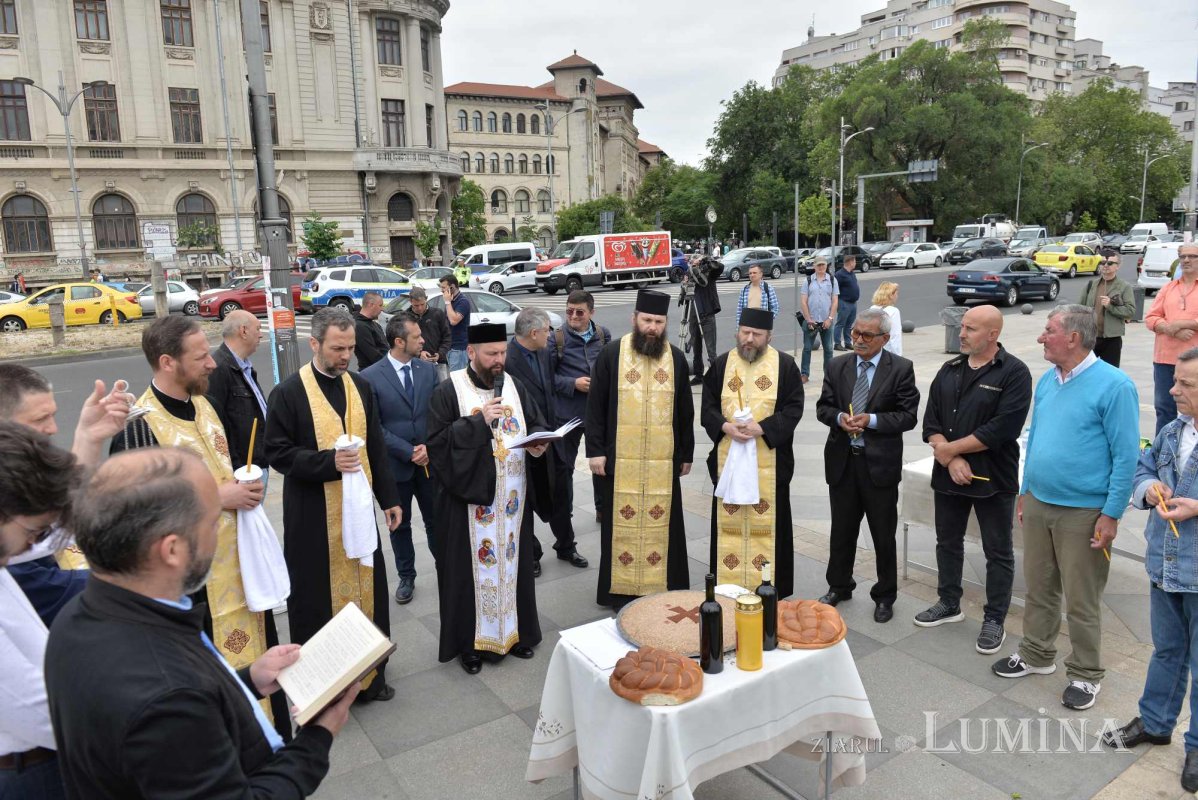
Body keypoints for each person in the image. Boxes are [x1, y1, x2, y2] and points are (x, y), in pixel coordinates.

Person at [45, 448, 359, 799]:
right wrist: (318, 736)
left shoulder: (79, 616)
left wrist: (247, 680)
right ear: (172, 550)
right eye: (212, 522)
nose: (218, 535)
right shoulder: (167, 697)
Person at [110, 316, 292, 734]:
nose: (213, 363)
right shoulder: (139, 428)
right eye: (201, 356)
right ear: (167, 362)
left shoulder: (205, 406)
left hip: (241, 571)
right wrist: (217, 498)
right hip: (195, 592)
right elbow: (136, 524)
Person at [991, 304, 1139, 711]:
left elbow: (1126, 457)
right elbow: (1034, 436)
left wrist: (1110, 515)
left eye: (1048, 330)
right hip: (1039, 501)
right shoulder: (1048, 380)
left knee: (1081, 597)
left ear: (1072, 337)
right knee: (1038, 586)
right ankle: (1038, 654)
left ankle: (1086, 673)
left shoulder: (1115, 386)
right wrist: (1025, 490)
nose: (1041, 337)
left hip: (1084, 511)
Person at [264, 307, 402, 702]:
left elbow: (374, 445)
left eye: (351, 348)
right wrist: (327, 463)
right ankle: (323, 686)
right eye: (337, 348)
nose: (345, 356)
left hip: (357, 515)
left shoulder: (360, 386)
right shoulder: (288, 393)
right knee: (316, 600)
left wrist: (389, 499)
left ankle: (370, 677)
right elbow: (276, 452)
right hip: (312, 518)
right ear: (315, 344)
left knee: (366, 590)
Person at [426, 322, 552, 674]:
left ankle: (517, 634)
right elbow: (436, 445)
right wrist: (477, 423)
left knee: (513, 567)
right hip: (469, 507)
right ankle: (470, 645)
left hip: (511, 506)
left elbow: (535, 424)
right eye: (491, 354)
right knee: (469, 576)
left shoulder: (515, 386)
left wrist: (540, 445)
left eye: (502, 353)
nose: (499, 360)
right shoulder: (449, 391)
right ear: (471, 353)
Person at [1103, 347, 1198, 791]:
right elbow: (1143, 465)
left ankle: (1196, 745)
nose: (1172, 389)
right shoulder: (1173, 431)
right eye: (1176, 380)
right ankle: (1156, 723)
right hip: (1165, 565)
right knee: (1166, 650)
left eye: (1186, 384)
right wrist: (1148, 488)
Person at [916, 306, 1032, 654]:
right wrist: (950, 457)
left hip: (994, 478)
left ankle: (994, 617)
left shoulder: (1014, 373)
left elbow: (1001, 429)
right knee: (947, 541)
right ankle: (948, 602)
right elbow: (931, 423)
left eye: (970, 328)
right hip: (949, 473)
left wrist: (950, 451)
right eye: (962, 326)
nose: (961, 333)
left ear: (992, 334)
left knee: (998, 551)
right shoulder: (949, 369)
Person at [587, 290, 695, 609]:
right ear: (634, 319)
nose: (652, 328)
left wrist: (686, 454)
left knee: (666, 524)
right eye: (647, 320)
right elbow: (595, 407)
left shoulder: (675, 357)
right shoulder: (611, 355)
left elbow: (685, 411)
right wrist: (595, 451)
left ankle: (665, 585)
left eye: (658, 322)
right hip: (620, 461)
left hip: (662, 463)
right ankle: (620, 592)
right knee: (620, 523)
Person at [815, 308, 919, 623]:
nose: (858, 340)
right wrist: (838, 418)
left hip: (879, 467)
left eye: (867, 335)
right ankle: (840, 585)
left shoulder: (900, 369)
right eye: (855, 333)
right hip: (843, 463)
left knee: (882, 534)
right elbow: (823, 407)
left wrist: (871, 420)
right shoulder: (837, 365)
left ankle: (885, 595)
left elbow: (908, 416)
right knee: (842, 530)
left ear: (885, 339)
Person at [0, 422, 82, 800]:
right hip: (29, 771)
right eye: (33, 529)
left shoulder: (8, 545)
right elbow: (41, 712)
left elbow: (49, 536)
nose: (34, 544)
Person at [700, 307, 804, 597]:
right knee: (727, 525)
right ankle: (728, 588)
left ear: (768, 336)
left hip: (769, 465)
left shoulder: (785, 365)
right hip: (730, 462)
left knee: (771, 528)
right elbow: (707, 407)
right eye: (745, 332)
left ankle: (770, 591)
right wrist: (724, 426)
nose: (749, 339)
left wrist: (764, 428)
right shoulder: (721, 365)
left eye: (756, 334)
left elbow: (794, 408)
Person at [361, 312, 439, 605]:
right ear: (398, 341)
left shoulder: (427, 371)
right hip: (395, 467)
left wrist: (428, 446)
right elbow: (374, 427)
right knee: (400, 524)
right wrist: (408, 451)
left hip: (430, 464)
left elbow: (437, 414)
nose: (422, 340)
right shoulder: (369, 377)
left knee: (436, 520)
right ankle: (406, 576)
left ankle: (445, 565)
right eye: (417, 336)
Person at [505, 308, 588, 576]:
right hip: (525, 442)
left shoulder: (543, 352)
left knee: (562, 491)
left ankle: (566, 545)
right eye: (546, 330)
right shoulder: (507, 359)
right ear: (533, 332)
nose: (550, 335)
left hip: (553, 435)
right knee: (526, 497)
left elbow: (551, 385)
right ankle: (532, 553)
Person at [549, 290, 612, 526]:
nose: (573, 316)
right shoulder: (556, 339)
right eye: (569, 311)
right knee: (564, 468)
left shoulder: (603, 335)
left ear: (591, 312)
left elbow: (609, 368)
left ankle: (603, 509)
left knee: (602, 463)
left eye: (579, 312)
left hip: (597, 414)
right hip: (567, 414)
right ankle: (565, 517)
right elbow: (547, 378)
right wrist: (572, 383)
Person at [205, 310, 269, 478]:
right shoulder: (219, 369)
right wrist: (237, 468)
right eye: (258, 329)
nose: (261, 335)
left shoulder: (244, 365)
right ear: (244, 331)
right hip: (243, 470)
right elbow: (215, 426)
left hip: (256, 463)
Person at [1146, 244, 1198, 433]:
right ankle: (1162, 454)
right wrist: (1171, 329)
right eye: (1183, 256)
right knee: (1164, 409)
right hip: (1165, 360)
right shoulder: (1168, 288)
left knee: (1194, 409)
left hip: (1194, 363)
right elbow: (1151, 318)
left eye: (1192, 256)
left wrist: (1186, 324)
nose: (1186, 260)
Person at [1079, 248, 1135, 367]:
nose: (1105, 266)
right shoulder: (1091, 285)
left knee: (1110, 375)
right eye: (1102, 263)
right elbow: (1079, 310)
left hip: (1111, 339)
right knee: (1086, 372)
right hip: (1090, 337)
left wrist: (1110, 306)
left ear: (1117, 266)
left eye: (1110, 263)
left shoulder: (1124, 286)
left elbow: (1130, 311)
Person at [799, 257, 840, 384]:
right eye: (818, 265)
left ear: (826, 266)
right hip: (811, 321)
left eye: (823, 265)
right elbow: (803, 301)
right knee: (807, 348)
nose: (821, 267)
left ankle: (828, 375)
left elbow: (835, 301)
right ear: (815, 267)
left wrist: (830, 318)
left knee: (828, 348)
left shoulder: (832, 280)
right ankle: (804, 374)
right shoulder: (808, 280)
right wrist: (808, 319)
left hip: (826, 321)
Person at [686, 255, 722, 385]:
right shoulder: (690, 273)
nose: (695, 265)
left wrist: (705, 260)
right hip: (694, 314)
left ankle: (715, 376)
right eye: (693, 262)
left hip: (707, 313)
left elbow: (719, 266)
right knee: (696, 348)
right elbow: (685, 286)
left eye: (697, 262)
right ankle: (698, 375)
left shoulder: (710, 272)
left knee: (711, 349)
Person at [409, 286, 451, 381]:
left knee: (442, 391)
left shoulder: (438, 314)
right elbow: (404, 343)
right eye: (416, 305)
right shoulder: (405, 317)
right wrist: (419, 354)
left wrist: (440, 354)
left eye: (422, 304)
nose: (420, 308)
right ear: (410, 301)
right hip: (415, 364)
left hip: (439, 362)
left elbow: (447, 337)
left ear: (426, 299)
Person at [440, 275, 473, 373]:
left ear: (452, 287)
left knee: (457, 380)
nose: (441, 290)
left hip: (458, 349)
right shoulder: (451, 301)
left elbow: (453, 321)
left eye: (443, 287)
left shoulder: (463, 302)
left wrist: (447, 302)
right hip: (450, 347)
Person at [352, 292, 389, 370]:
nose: (382, 309)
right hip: (371, 372)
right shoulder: (360, 326)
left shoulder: (374, 324)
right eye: (380, 305)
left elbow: (385, 347)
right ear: (371, 305)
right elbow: (373, 355)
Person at [833, 254, 860, 352]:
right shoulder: (840, 275)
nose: (855, 263)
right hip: (844, 302)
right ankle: (837, 343)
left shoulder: (852, 273)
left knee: (849, 324)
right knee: (840, 323)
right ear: (850, 262)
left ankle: (848, 343)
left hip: (853, 303)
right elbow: (835, 289)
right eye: (855, 261)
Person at [870, 281, 902, 356]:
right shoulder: (893, 311)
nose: (897, 296)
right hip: (887, 352)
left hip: (874, 349)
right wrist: (898, 355)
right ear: (891, 295)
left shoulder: (872, 308)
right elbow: (895, 335)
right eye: (896, 294)